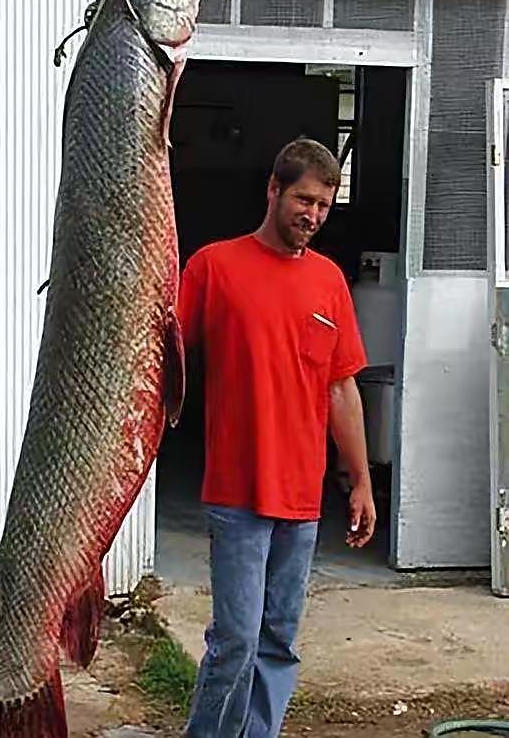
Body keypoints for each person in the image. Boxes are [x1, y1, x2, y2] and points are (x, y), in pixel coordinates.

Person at [178, 138, 376, 738]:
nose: (314, 215)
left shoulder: (328, 282)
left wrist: (361, 480)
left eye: (324, 204)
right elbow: (166, 363)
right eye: (304, 199)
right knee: (235, 641)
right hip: (237, 490)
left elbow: (340, 389)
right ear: (273, 190)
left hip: (303, 496)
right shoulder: (214, 267)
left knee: (279, 642)